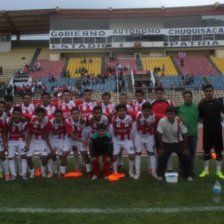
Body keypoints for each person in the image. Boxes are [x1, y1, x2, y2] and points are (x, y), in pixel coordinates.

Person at [157, 106, 192, 181]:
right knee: (162, 158)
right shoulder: (162, 121)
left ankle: (187, 175)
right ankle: (160, 175)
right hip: (166, 142)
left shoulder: (180, 120)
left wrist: (185, 149)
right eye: (168, 114)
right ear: (166, 114)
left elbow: (185, 135)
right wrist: (162, 148)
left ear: (175, 114)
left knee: (185, 157)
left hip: (178, 142)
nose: (170, 116)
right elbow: (160, 136)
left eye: (172, 114)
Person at [198, 84, 224, 179]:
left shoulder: (218, 103)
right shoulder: (202, 104)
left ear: (213, 91)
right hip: (206, 131)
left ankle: (218, 171)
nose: (208, 93)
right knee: (206, 151)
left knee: (218, 151)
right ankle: (205, 171)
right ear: (204, 93)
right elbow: (199, 116)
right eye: (206, 91)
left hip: (217, 131)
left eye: (210, 91)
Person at [61, 107, 92, 177]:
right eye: (73, 114)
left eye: (77, 113)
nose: (75, 115)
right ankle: (62, 173)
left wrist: (89, 139)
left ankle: (89, 171)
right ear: (71, 115)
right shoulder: (67, 121)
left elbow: (92, 120)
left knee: (85, 154)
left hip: (79, 138)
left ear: (79, 114)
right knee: (64, 155)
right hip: (69, 139)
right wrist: (83, 141)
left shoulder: (84, 119)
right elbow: (71, 135)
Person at [25, 107, 52, 178]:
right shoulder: (31, 118)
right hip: (32, 140)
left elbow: (46, 135)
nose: (40, 117)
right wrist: (27, 144)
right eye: (39, 115)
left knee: (45, 157)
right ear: (36, 115)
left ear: (44, 115)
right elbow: (21, 115)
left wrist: (50, 147)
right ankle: (32, 172)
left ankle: (43, 171)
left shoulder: (47, 121)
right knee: (28, 158)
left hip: (41, 140)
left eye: (42, 115)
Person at [151, 86, 173, 174]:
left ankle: (170, 168)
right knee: (158, 150)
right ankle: (157, 167)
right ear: (155, 94)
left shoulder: (168, 102)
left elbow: (172, 113)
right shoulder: (152, 103)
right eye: (157, 93)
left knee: (168, 149)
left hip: (167, 130)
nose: (159, 95)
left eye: (161, 93)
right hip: (156, 131)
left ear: (163, 93)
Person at [178, 91, 199, 177]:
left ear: (192, 97)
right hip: (182, 135)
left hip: (193, 134)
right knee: (182, 153)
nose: (187, 98)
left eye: (189, 96)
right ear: (183, 98)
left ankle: (191, 170)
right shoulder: (180, 108)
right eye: (185, 97)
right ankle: (181, 170)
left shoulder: (196, 107)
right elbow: (174, 115)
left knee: (192, 154)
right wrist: (179, 116)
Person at [4, 107, 28, 180]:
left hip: (21, 140)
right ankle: (13, 175)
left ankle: (23, 174)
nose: (17, 116)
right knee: (11, 157)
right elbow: (4, 132)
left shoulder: (24, 121)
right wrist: (5, 143)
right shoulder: (8, 121)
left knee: (23, 156)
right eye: (15, 114)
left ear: (21, 114)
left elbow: (28, 132)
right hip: (11, 141)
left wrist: (27, 143)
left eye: (18, 114)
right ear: (12, 115)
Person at [111, 104, 135, 178]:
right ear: (116, 112)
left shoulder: (130, 118)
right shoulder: (113, 119)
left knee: (131, 155)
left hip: (127, 139)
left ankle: (131, 172)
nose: (121, 112)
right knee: (114, 156)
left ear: (126, 111)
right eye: (119, 111)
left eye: (123, 110)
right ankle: (115, 172)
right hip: (117, 140)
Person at [134, 102, 156, 180]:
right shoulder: (138, 115)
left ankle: (154, 172)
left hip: (149, 135)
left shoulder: (153, 116)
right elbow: (128, 112)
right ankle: (137, 173)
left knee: (152, 153)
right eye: (144, 111)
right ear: (142, 110)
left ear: (151, 111)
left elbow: (163, 115)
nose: (146, 113)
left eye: (148, 111)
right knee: (138, 153)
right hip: (139, 136)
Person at [48, 109, 66, 177]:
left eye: (60, 116)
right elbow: (47, 134)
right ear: (54, 116)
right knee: (51, 155)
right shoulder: (50, 122)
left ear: (62, 116)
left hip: (61, 139)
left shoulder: (65, 121)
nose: (58, 118)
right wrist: (49, 146)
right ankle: (52, 170)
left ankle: (61, 170)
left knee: (61, 155)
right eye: (57, 116)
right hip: (52, 139)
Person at [0, 101, 10, 181]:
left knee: (3, 157)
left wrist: (4, 142)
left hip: (0, 139)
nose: (1, 108)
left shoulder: (3, 119)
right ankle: (0, 172)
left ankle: (7, 174)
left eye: (2, 107)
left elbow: (3, 132)